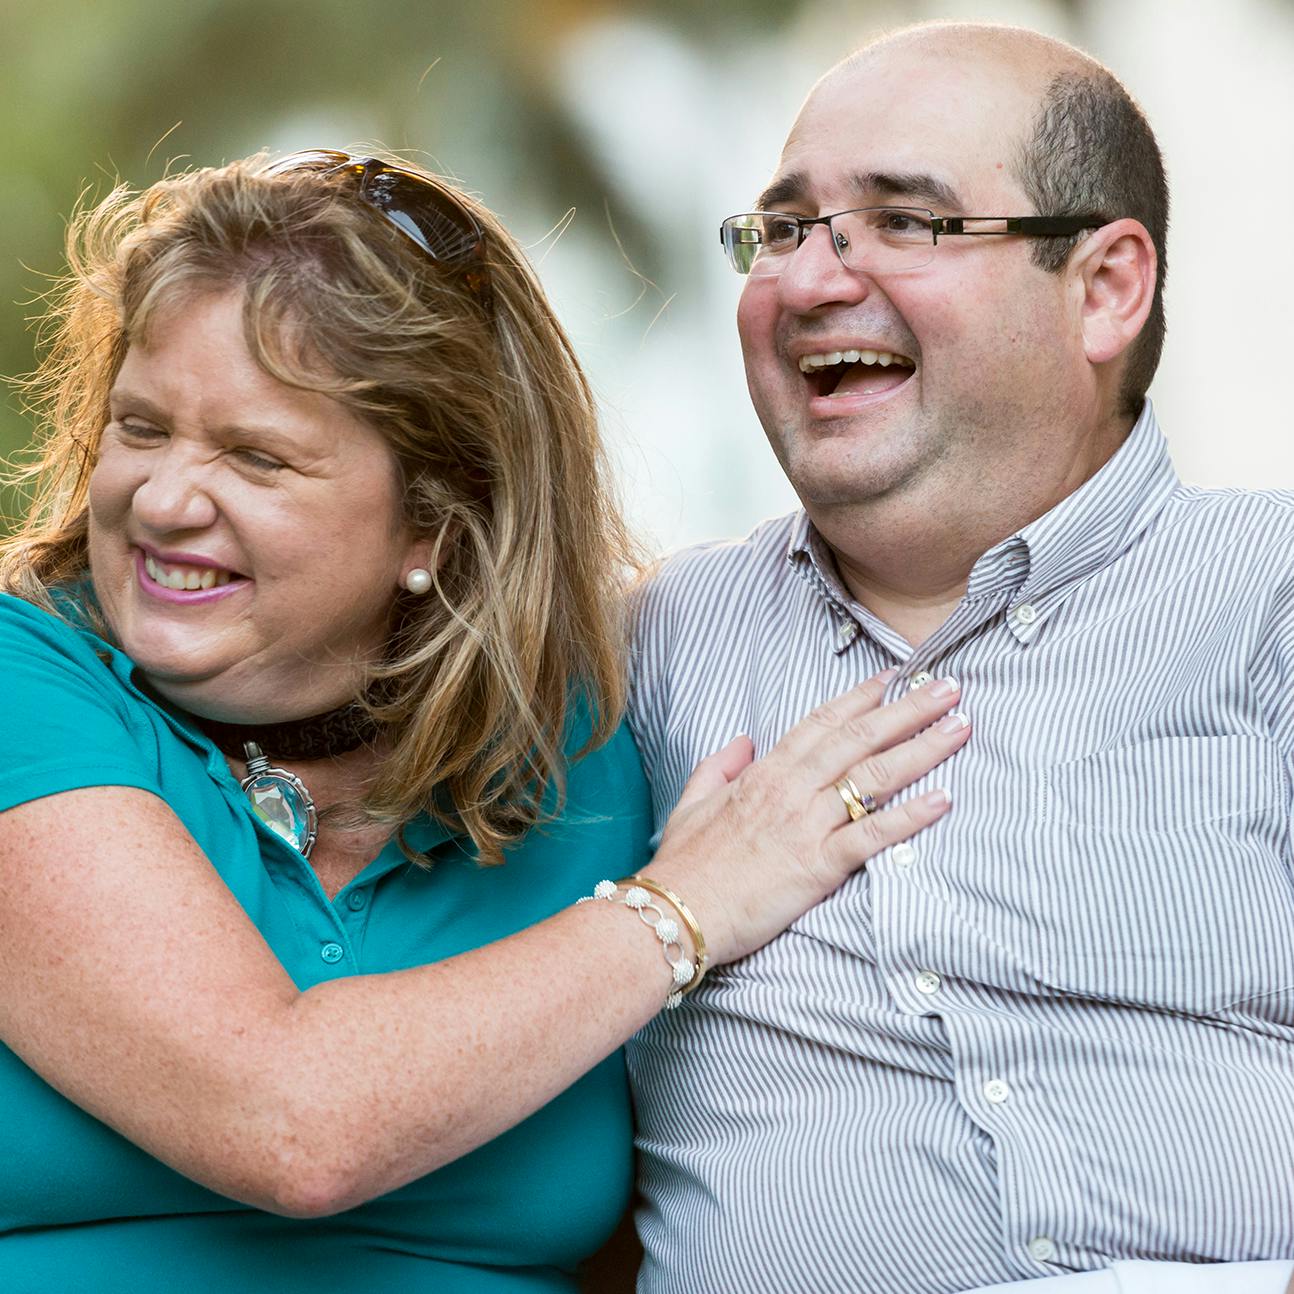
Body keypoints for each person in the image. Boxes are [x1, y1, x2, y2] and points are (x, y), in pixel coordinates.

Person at [0, 150, 973, 1291]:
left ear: (435, 529)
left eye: (258, 457)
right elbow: (291, 1126)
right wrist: (680, 911)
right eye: (142, 427)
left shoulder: (594, 740)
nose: (162, 501)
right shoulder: (30, 680)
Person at [625, 21, 1294, 1294]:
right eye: (782, 231)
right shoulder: (644, 651)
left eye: (906, 221)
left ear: (1104, 288)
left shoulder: (1269, 594)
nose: (812, 281)